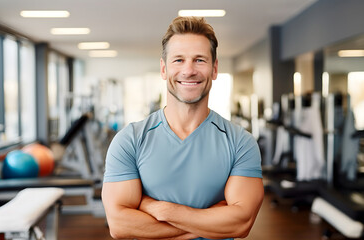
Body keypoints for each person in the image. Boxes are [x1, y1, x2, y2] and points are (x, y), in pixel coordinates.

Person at [102, 16, 263, 240]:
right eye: (178, 60)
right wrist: (210, 220)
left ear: (214, 69)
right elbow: (120, 225)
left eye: (199, 60)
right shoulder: (130, 140)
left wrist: (162, 210)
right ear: (163, 69)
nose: (189, 71)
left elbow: (241, 222)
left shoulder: (240, 142)